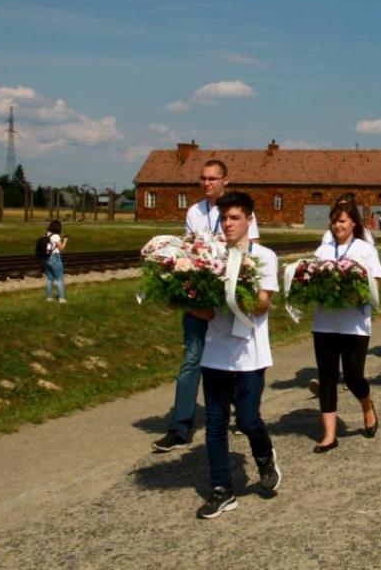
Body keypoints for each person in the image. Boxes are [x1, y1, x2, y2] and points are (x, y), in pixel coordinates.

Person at [153, 159, 260, 453]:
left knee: (234, 359)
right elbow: (187, 250)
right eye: (203, 178)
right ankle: (180, 427)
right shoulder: (194, 212)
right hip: (200, 299)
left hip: (228, 299)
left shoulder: (239, 211)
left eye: (213, 178)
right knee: (192, 358)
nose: (207, 183)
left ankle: (244, 415)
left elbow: (250, 253)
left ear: (226, 180)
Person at [192, 192, 280, 519]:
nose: (228, 224)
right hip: (215, 353)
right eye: (224, 218)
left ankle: (264, 456)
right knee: (215, 423)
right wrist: (186, 299)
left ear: (249, 220)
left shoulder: (264, 257)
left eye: (234, 218)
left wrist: (237, 290)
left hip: (250, 354)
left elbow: (262, 304)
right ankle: (222, 489)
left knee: (247, 419)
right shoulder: (210, 257)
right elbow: (204, 312)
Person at [310, 202, 381, 452]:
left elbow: (375, 284)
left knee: (353, 377)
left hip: (354, 324)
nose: (337, 226)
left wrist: (356, 293)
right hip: (325, 322)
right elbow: (312, 279)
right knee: (327, 377)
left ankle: (367, 405)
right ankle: (329, 435)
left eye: (342, 221)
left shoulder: (365, 249)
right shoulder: (323, 250)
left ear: (353, 222)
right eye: (334, 222)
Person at [42, 220, 67, 304]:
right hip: (55, 258)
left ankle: (49, 298)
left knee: (49, 278)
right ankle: (61, 298)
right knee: (59, 278)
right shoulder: (56, 236)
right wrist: (65, 240)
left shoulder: (45, 234)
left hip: (46, 258)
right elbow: (61, 248)